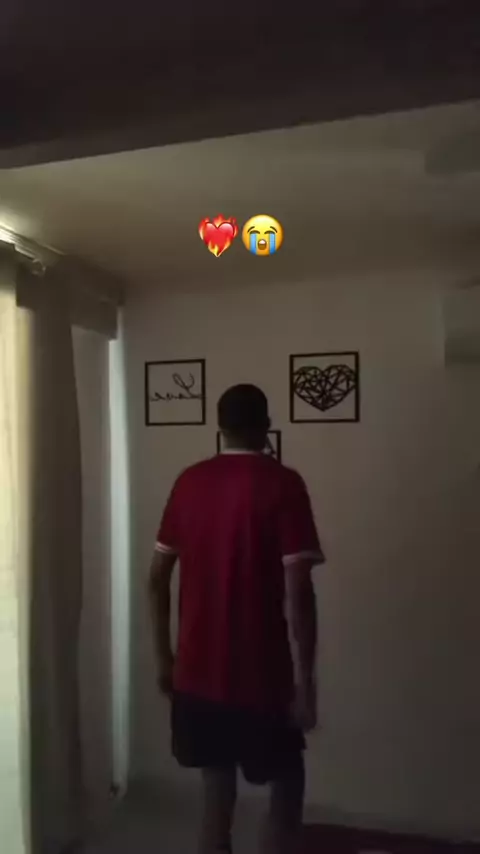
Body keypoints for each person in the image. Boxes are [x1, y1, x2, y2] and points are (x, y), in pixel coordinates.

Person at [148, 384, 325, 854]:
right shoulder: (283, 483)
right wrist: (306, 683)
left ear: (220, 427)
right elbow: (299, 594)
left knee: (215, 792)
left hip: (196, 675)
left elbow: (156, 579)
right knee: (287, 787)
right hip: (261, 678)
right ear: (265, 426)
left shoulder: (189, 482)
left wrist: (164, 660)